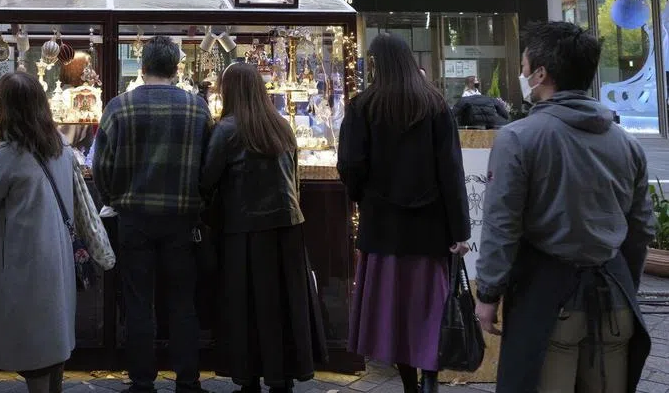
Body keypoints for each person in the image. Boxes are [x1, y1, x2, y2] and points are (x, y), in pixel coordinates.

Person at [476, 22, 655, 393]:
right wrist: (628, 284)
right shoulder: (626, 143)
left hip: (547, 304)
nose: (522, 73)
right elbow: (641, 229)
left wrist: (488, 294)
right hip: (615, 299)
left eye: (524, 66)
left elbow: (502, 225)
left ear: (541, 74)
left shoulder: (519, 138)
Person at [337, 34, 470, 393]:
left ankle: (410, 384)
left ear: (378, 65)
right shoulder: (436, 105)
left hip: (383, 227)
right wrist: (460, 230)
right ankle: (430, 380)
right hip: (431, 228)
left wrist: (360, 196)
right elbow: (451, 171)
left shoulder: (363, 105)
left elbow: (350, 164)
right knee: (428, 309)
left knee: (392, 312)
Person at [93, 35, 213, 393]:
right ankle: (188, 381)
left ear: (142, 67)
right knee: (182, 300)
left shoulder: (118, 107)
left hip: (134, 218)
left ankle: (142, 381)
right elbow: (208, 167)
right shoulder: (197, 108)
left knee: (138, 301)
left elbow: (101, 166)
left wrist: (116, 197)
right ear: (177, 69)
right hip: (182, 219)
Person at [201, 63, 321, 393]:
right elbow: (294, 180)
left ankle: (249, 377)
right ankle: (281, 377)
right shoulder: (281, 126)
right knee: (282, 306)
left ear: (230, 90)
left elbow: (207, 179)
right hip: (286, 229)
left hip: (244, 232)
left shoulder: (226, 129)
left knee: (247, 308)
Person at [0, 71, 76, 393]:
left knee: (32, 342)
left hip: (24, 257)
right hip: (58, 254)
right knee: (53, 332)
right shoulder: (60, 147)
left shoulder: (7, 154)